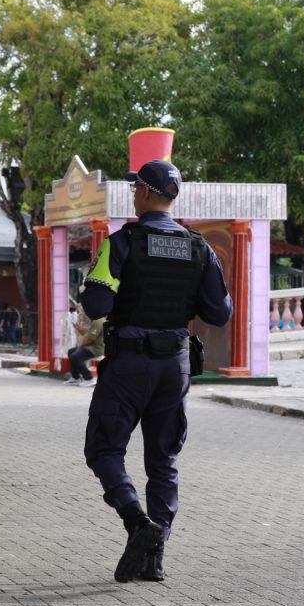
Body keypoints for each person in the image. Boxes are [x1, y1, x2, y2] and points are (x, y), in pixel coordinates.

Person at [80, 159, 232, 583]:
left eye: (135, 189)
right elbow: (220, 312)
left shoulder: (122, 242)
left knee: (104, 450)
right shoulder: (200, 248)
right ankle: (155, 558)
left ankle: (136, 523)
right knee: (163, 460)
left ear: (146, 193)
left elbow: (95, 306)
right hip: (176, 365)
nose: (132, 195)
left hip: (130, 363)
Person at [63, 309, 105, 387]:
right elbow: (87, 333)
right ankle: (75, 378)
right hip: (91, 346)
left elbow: (90, 339)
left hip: (96, 348)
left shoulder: (98, 321)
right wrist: (79, 328)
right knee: (71, 351)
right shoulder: (94, 320)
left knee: (75, 356)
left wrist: (80, 346)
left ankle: (89, 378)